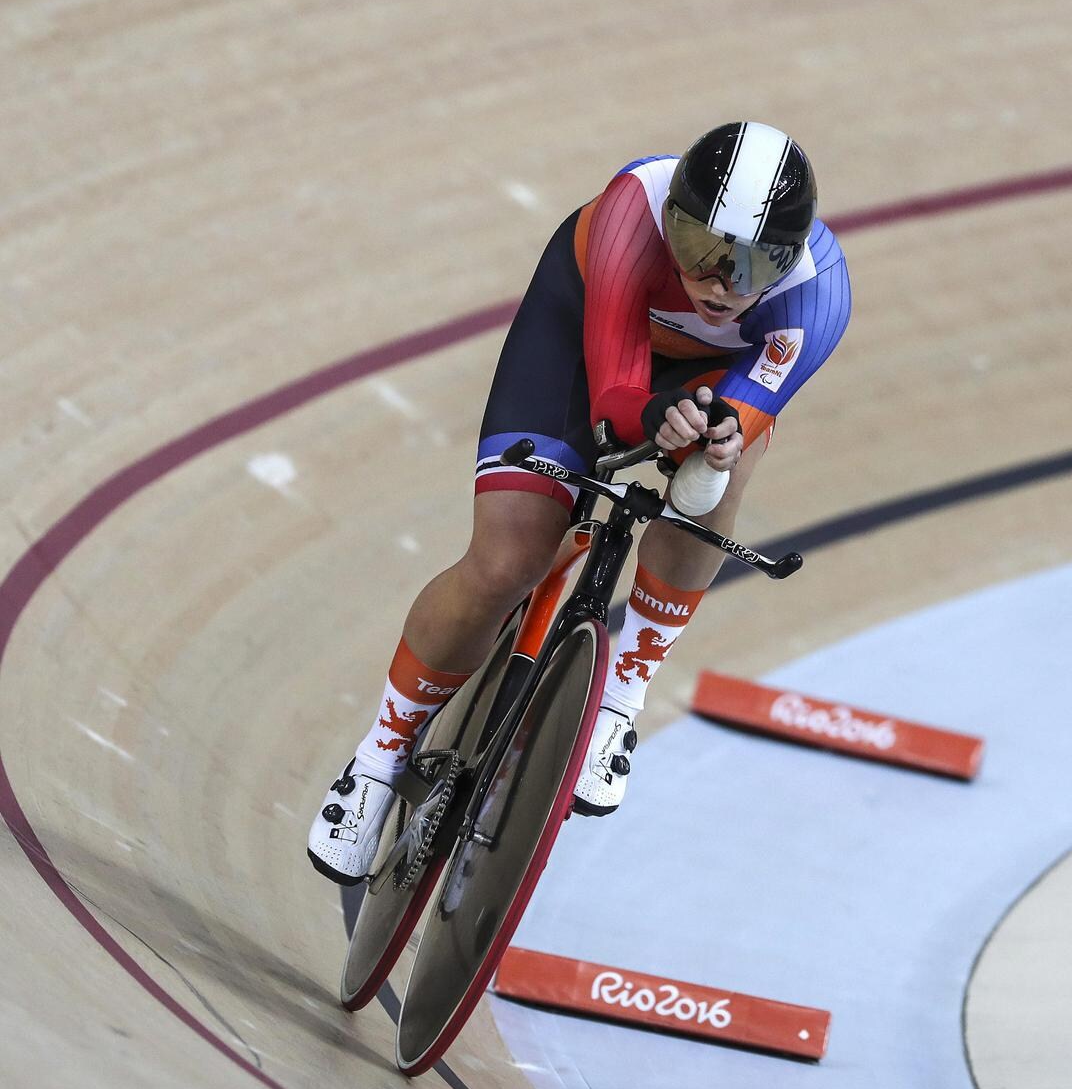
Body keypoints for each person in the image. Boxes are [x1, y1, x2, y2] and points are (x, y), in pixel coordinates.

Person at [308, 122, 853, 883]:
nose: (723, 280)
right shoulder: (634, 211)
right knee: (507, 561)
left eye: (755, 261)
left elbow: (744, 413)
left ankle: (623, 689)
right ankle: (378, 756)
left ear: (790, 260)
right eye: (702, 248)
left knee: (715, 475)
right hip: (589, 334)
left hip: (712, 380)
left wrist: (716, 437)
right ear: (672, 223)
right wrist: (655, 414)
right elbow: (618, 397)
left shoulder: (817, 297)